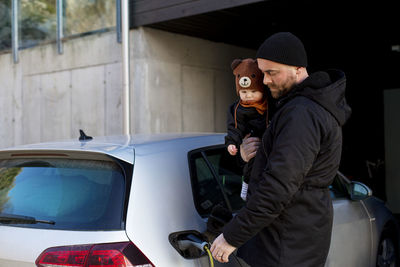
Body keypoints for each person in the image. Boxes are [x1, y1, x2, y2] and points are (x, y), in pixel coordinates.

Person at [210, 32, 352, 266]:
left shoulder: (302, 114)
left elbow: (278, 187)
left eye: (271, 73)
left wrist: (231, 236)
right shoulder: (296, 107)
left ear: (297, 68)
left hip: (287, 243)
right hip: (290, 236)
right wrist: (246, 156)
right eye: (262, 72)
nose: (264, 81)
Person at [225, 58, 269, 201]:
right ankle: (246, 186)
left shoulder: (270, 105)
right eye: (243, 92)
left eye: (253, 91)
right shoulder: (238, 109)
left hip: (266, 142)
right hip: (251, 141)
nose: (248, 96)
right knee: (252, 165)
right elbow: (235, 127)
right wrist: (232, 142)